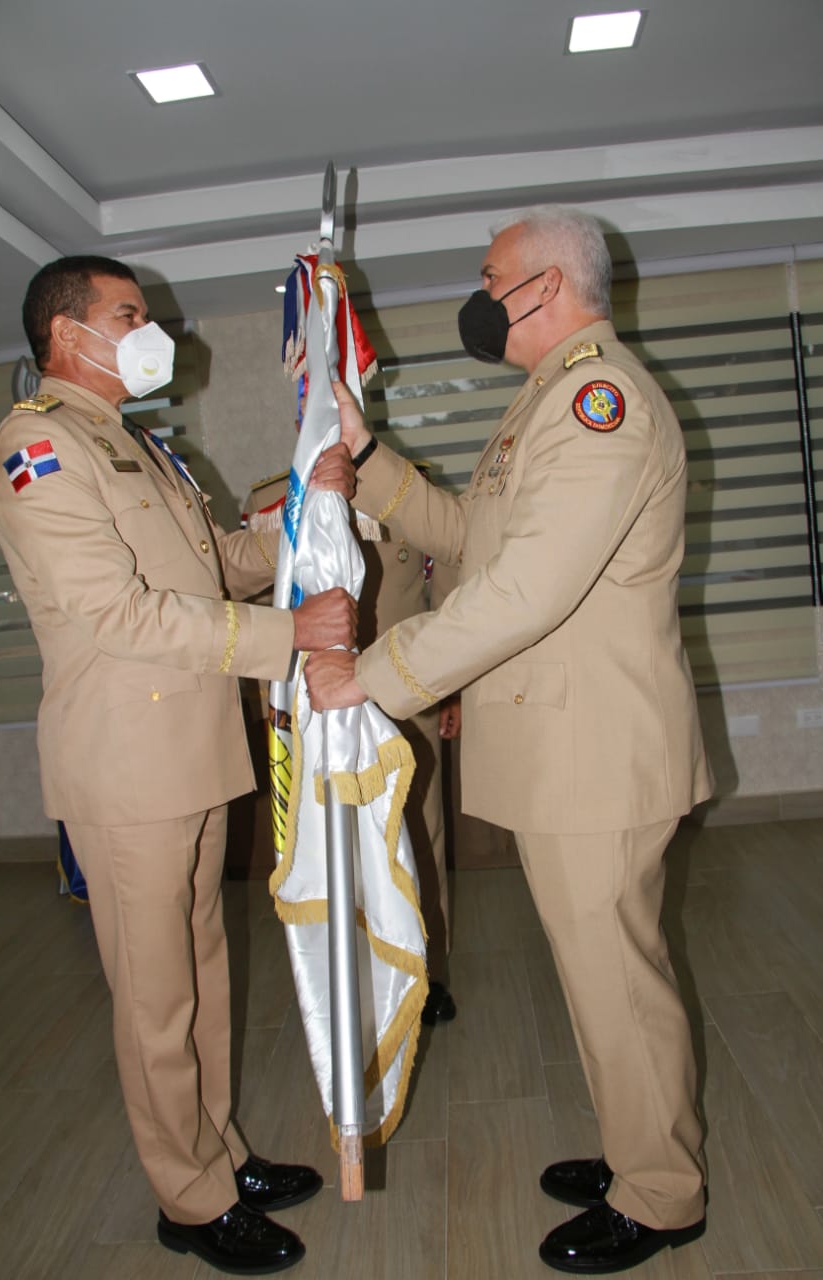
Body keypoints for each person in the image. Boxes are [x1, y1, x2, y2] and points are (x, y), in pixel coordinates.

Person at [304, 207, 714, 1274]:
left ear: (543, 286)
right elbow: (470, 537)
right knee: (598, 976)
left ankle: (661, 1193)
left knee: (617, 979)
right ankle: (638, 1146)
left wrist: (377, 678)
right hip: (567, 752)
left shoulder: (597, 401)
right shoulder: (544, 403)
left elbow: (527, 590)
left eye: (491, 278)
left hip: (594, 753)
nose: (479, 298)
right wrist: (366, 454)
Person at [0, 255, 359, 1276]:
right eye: (129, 314)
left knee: (199, 972)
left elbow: (205, 568)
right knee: (154, 997)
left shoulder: (138, 446)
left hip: (188, 751)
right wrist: (289, 632)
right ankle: (186, 1198)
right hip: (127, 764)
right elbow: (118, 612)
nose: (152, 331)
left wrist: (293, 510)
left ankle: (220, 1151)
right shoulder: (37, 447)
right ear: (68, 336)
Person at [246, 468, 459, 1024]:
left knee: (419, 833)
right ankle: (342, 973)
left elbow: (446, 597)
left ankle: (426, 971)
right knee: (322, 840)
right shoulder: (272, 499)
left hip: (404, 694)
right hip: (313, 703)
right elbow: (256, 601)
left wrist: (453, 692)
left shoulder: (410, 486)